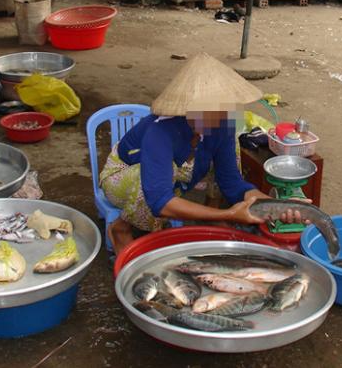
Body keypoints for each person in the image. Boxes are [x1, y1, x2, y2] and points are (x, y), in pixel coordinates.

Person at [100, 53, 308, 255]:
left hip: (175, 175)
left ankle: (209, 215)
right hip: (124, 175)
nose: (223, 116)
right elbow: (159, 201)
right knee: (150, 182)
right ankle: (121, 229)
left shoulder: (222, 125)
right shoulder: (160, 131)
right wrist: (229, 214)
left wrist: (279, 207)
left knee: (228, 147)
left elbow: (232, 183)